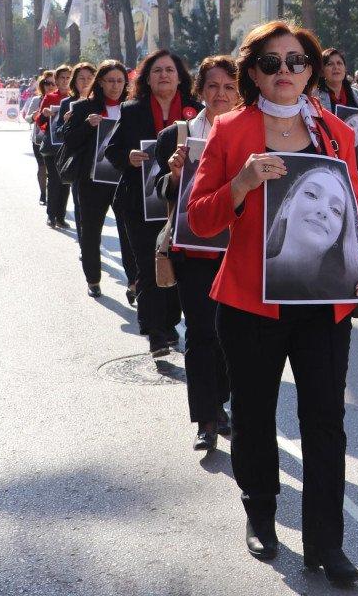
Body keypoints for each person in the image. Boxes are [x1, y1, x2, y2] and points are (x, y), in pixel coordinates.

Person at [187, 20, 358, 583]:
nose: (285, 72)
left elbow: (354, 206)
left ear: (311, 69)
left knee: (326, 422)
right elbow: (200, 218)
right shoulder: (229, 131)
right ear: (252, 72)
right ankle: (261, 516)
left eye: (296, 61)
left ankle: (327, 542)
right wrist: (242, 184)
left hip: (324, 304)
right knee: (253, 415)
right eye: (271, 63)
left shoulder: (334, 132)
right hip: (250, 303)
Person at [152, 55, 239, 451]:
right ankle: (206, 417)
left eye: (229, 87)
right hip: (193, 249)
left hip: (239, 250)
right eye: (213, 87)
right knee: (200, 333)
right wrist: (172, 175)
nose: (220, 94)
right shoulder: (179, 134)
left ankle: (221, 403)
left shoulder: (253, 130)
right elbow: (160, 193)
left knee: (229, 335)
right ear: (200, 90)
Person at [104, 49, 201, 357]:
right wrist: (128, 158)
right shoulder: (132, 110)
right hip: (139, 202)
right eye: (157, 70)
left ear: (180, 76)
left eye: (170, 70)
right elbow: (112, 151)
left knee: (175, 263)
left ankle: (170, 321)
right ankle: (154, 331)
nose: (164, 75)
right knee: (148, 264)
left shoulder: (195, 110)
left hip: (182, 203)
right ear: (147, 77)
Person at [58, 60, 138, 300]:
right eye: (110, 81)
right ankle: (93, 279)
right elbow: (70, 141)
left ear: (126, 83)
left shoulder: (133, 109)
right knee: (91, 231)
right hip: (91, 181)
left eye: (120, 81)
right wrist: (86, 125)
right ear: (100, 82)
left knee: (129, 233)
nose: (115, 86)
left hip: (124, 180)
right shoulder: (84, 107)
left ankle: (134, 282)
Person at [265, 162, 358, 300]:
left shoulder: (342, 292)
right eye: (311, 194)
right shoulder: (252, 275)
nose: (323, 211)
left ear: (340, 235)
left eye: (336, 210)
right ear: (287, 207)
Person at [315, 48, 358, 193]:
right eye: (330, 64)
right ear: (322, 71)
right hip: (327, 165)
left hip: (356, 169)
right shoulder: (313, 98)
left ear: (345, 68)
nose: (336, 67)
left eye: (339, 63)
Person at [54, 62, 97, 234]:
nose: (85, 82)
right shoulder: (67, 103)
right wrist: (65, 122)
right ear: (74, 81)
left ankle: (93, 240)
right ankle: (85, 245)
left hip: (100, 161)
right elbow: (58, 134)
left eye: (89, 78)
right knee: (80, 204)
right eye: (81, 78)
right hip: (78, 162)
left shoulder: (101, 102)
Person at [37, 65, 72, 227]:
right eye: (62, 78)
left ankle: (61, 215)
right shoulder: (50, 97)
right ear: (56, 81)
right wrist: (44, 114)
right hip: (52, 146)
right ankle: (51, 214)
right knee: (54, 180)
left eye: (68, 78)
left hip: (68, 146)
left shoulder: (75, 99)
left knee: (66, 181)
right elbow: (40, 121)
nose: (65, 81)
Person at [22, 72, 54, 207]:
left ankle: (54, 197)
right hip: (39, 139)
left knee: (54, 170)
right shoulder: (36, 100)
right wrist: (33, 116)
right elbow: (27, 118)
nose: (51, 86)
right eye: (47, 83)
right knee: (42, 167)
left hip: (56, 140)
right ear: (42, 85)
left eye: (53, 83)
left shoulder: (63, 99)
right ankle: (43, 194)